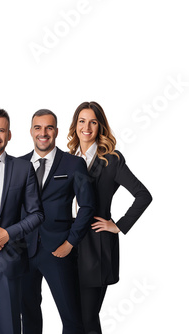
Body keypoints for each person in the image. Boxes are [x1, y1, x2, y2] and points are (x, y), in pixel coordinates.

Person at [67, 101, 152, 334]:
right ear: (75, 126)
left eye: (93, 122)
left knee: (88, 319)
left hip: (96, 247)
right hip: (69, 246)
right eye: (82, 121)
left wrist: (119, 225)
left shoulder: (111, 160)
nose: (87, 127)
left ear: (100, 126)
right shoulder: (67, 159)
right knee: (72, 320)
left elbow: (143, 195)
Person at [20, 109, 95, 334]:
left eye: (49, 128)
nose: (43, 133)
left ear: (56, 131)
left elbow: (87, 206)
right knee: (28, 315)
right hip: (24, 251)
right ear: (31, 131)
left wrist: (70, 243)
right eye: (38, 128)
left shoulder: (73, 164)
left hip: (58, 249)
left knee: (71, 318)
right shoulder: (19, 164)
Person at [0, 108, 44, 334]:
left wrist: (7, 234)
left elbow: (37, 214)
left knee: (10, 327)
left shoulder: (22, 168)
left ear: (9, 135)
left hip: (7, 259)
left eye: (1, 130)